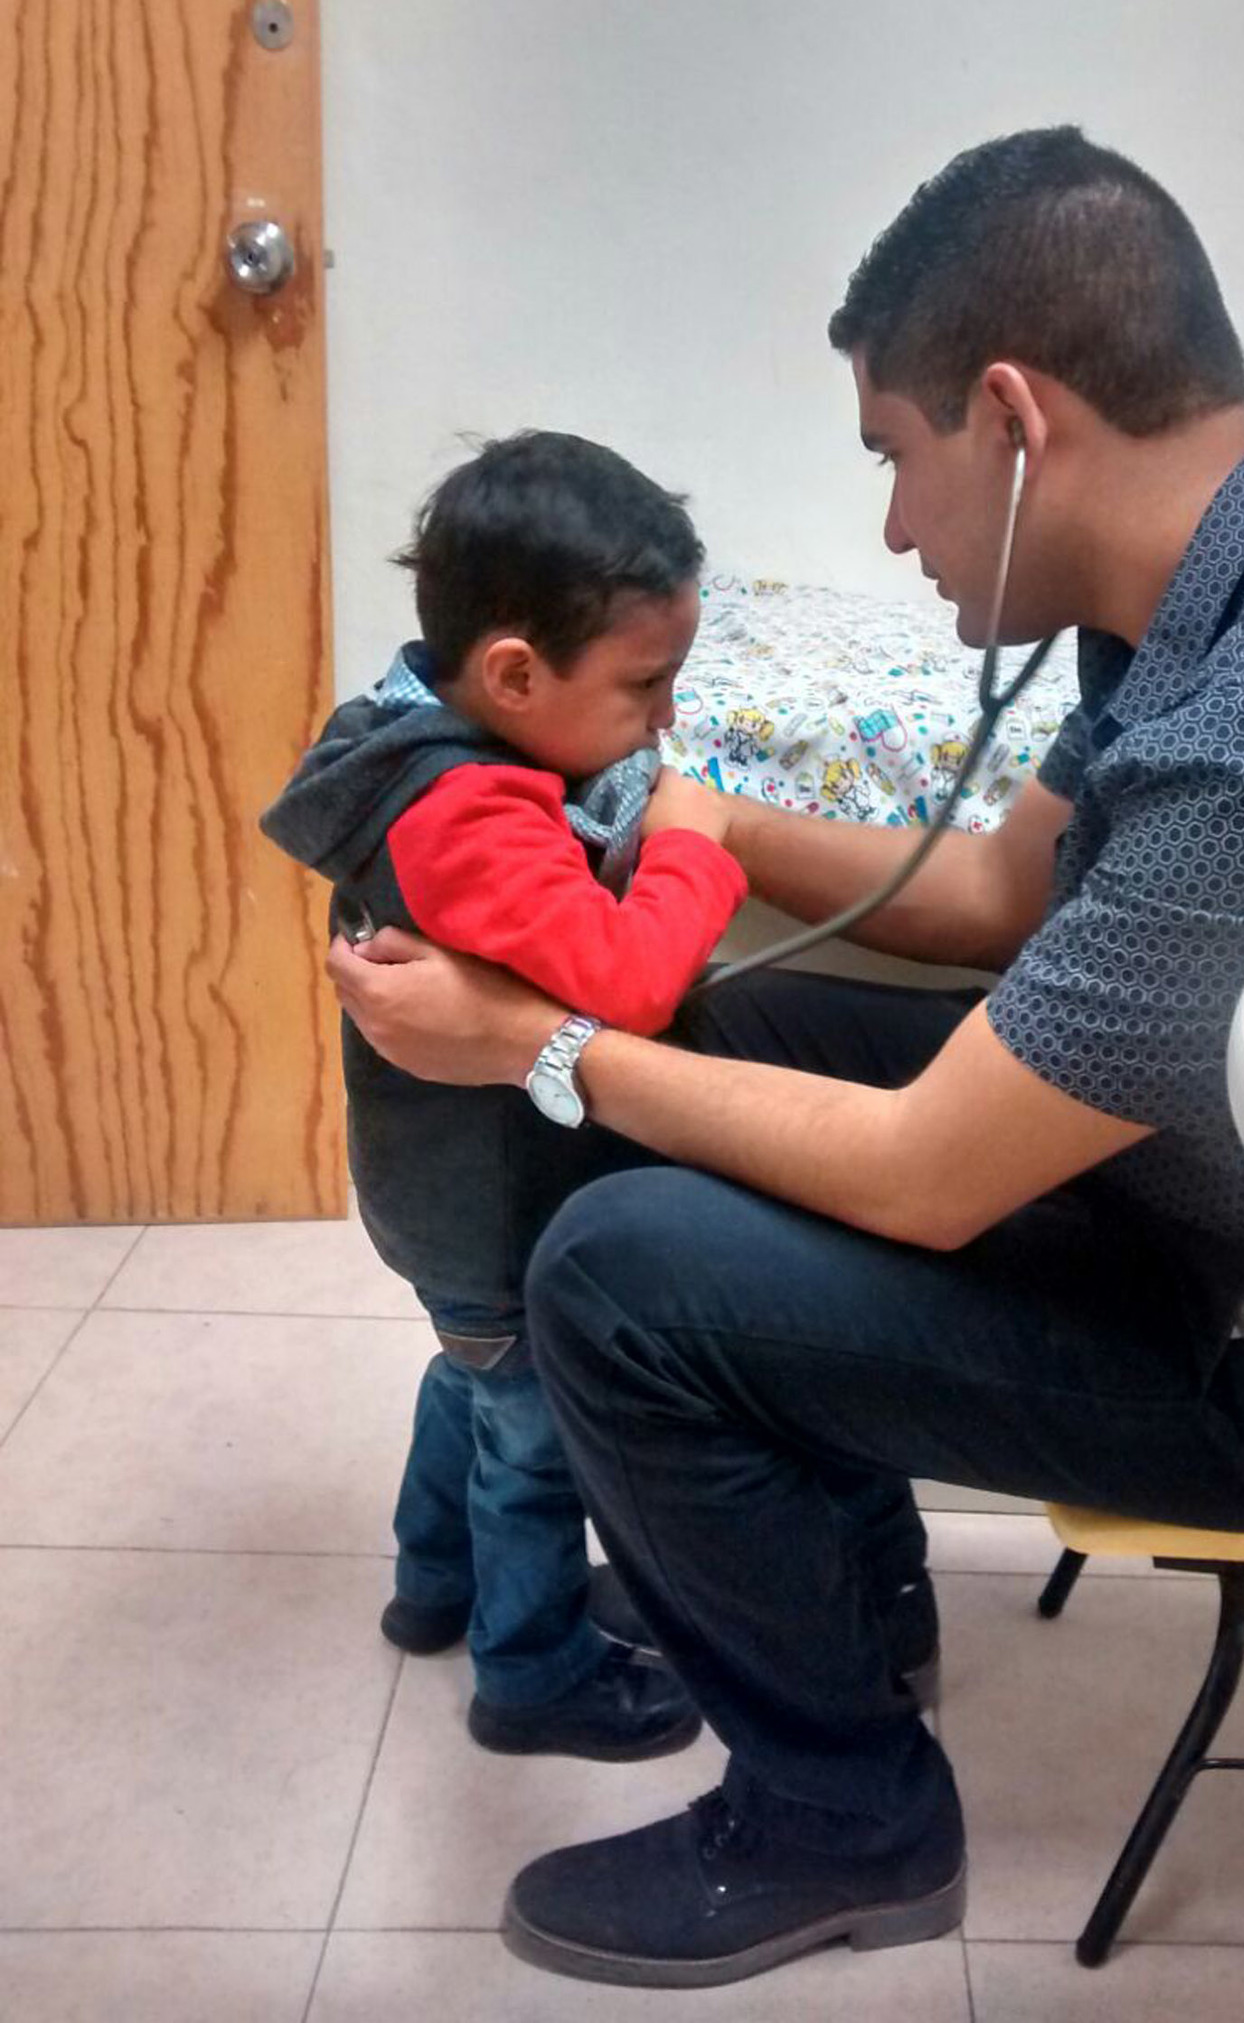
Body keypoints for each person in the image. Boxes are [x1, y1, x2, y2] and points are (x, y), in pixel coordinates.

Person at [326, 128, 1244, 1988]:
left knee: (614, 1276)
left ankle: (843, 1816)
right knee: (736, 1025)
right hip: (1230, 1189)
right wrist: (714, 826)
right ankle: (840, 1607)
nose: (894, 531)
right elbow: (1006, 888)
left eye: (894, 461)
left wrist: (537, 1040)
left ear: (1011, 418)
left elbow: (930, 1171)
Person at [262, 431, 749, 1759]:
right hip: (488, 1199)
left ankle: (433, 1584)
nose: (662, 720)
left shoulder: (418, 728)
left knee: (472, 1379)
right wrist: (699, 851)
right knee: (536, 1437)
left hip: (440, 1193)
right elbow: (631, 983)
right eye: (646, 686)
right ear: (515, 676)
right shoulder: (466, 815)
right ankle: (530, 1671)